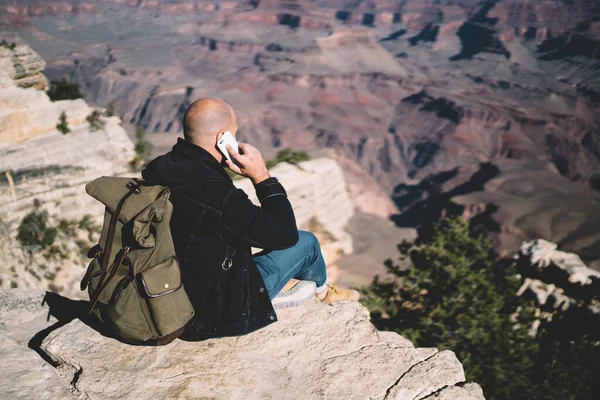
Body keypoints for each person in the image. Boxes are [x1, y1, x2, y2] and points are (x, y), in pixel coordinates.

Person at [142, 98, 359, 340]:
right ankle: (323, 292)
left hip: (164, 290)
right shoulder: (217, 195)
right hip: (210, 313)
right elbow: (284, 235)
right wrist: (261, 176)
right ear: (222, 138)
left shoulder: (158, 168)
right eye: (234, 134)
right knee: (306, 243)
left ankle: (314, 288)